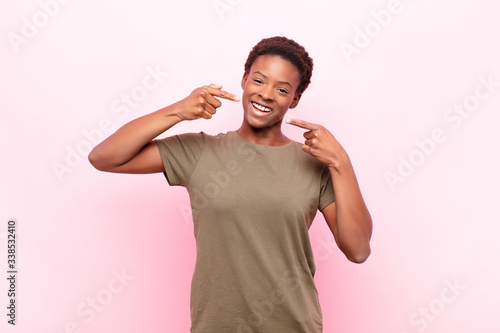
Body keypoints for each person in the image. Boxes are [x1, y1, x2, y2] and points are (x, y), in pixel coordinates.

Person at [89, 36, 372, 333]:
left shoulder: (314, 165)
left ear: (295, 99)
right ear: (244, 80)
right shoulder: (199, 152)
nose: (266, 94)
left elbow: (358, 250)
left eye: (282, 89)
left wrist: (341, 162)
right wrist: (178, 111)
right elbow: (104, 157)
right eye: (259, 81)